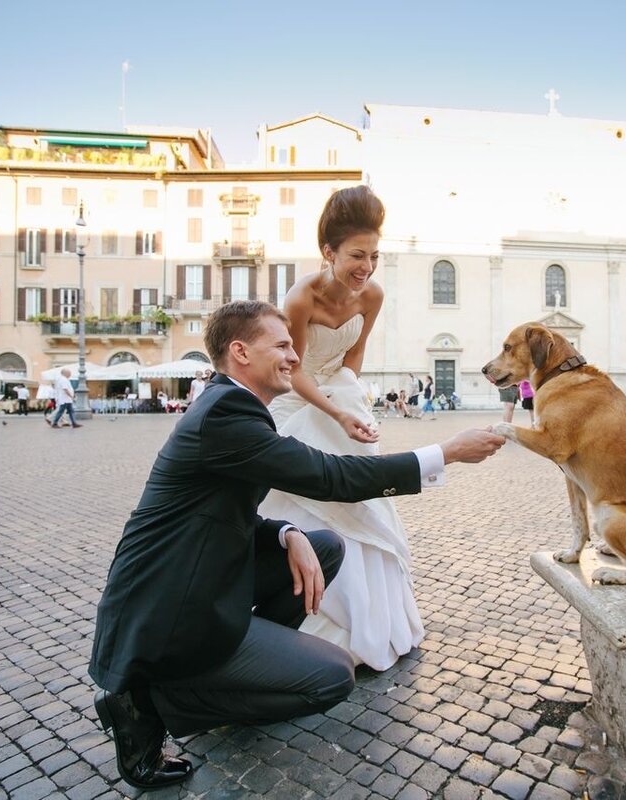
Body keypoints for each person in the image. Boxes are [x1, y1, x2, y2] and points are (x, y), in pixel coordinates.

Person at [88, 300, 504, 790]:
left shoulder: (231, 405)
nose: (293, 356)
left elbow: (223, 511)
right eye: (282, 346)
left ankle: (227, 664)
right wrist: (445, 453)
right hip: (172, 610)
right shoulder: (226, 413)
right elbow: (331, 475)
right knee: (331, 677)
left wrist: (288, 534)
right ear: (240, 352)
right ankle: (152, 701)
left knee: (323, 545)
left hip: (197, 579)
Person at [258, 185, 427, 670]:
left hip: (342, 395)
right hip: (297, 401)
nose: (367, 267)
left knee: (364, 501)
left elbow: (354, 353)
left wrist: (349, 396)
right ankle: (313, 618)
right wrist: (333, 412)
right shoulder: (299, 297)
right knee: (313, 500)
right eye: (357, 255)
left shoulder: (372, 294)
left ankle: (375, 621)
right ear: (328, 253)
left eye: (374, 255)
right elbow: (291, 368)